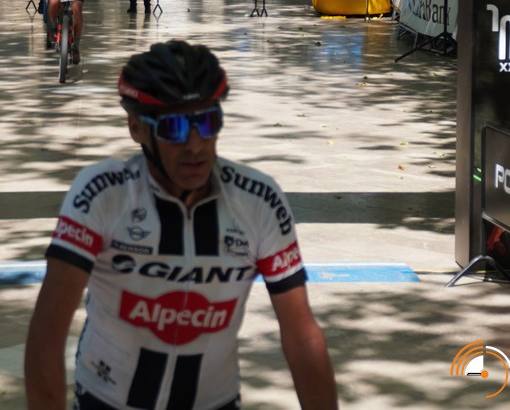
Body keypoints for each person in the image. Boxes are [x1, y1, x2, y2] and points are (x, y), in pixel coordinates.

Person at [25, 40, 337, 410]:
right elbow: (46, 338)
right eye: (174, 128)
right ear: (136, 129)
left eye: (208, 122)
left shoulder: (259, 201)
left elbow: (302, 337)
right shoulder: (102, 194)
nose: (195, 145)